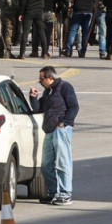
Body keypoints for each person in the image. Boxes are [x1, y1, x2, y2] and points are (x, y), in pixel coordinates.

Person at [27, 66, 78, 206]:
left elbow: (74, 107)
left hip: (61, 129)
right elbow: (38, 109)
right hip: (49, 130)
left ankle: (65, 194)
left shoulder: (64, 87)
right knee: (46, 165)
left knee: (63, 162)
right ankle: (53, 192)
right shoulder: (48, 91)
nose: (39, 81)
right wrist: (33, 97)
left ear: (50, 78)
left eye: (41, 78)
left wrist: (64, 123)